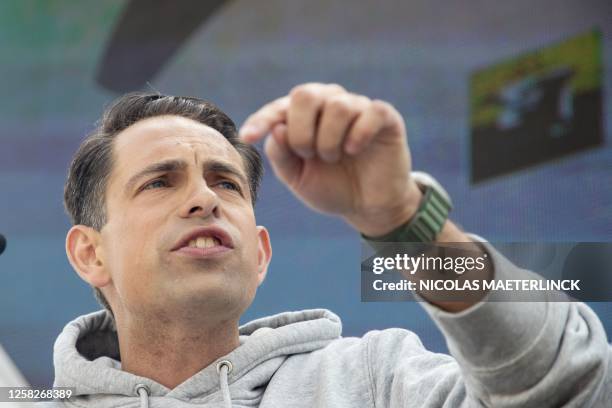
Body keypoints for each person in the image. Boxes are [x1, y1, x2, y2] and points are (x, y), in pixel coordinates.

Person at [40, 83, 610, 407]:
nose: (203, 200)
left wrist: (401, 219)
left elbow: (570, 394)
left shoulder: (374, 379)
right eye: (159, 181)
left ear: (260, 254)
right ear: (90, 254)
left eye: (226, 183)